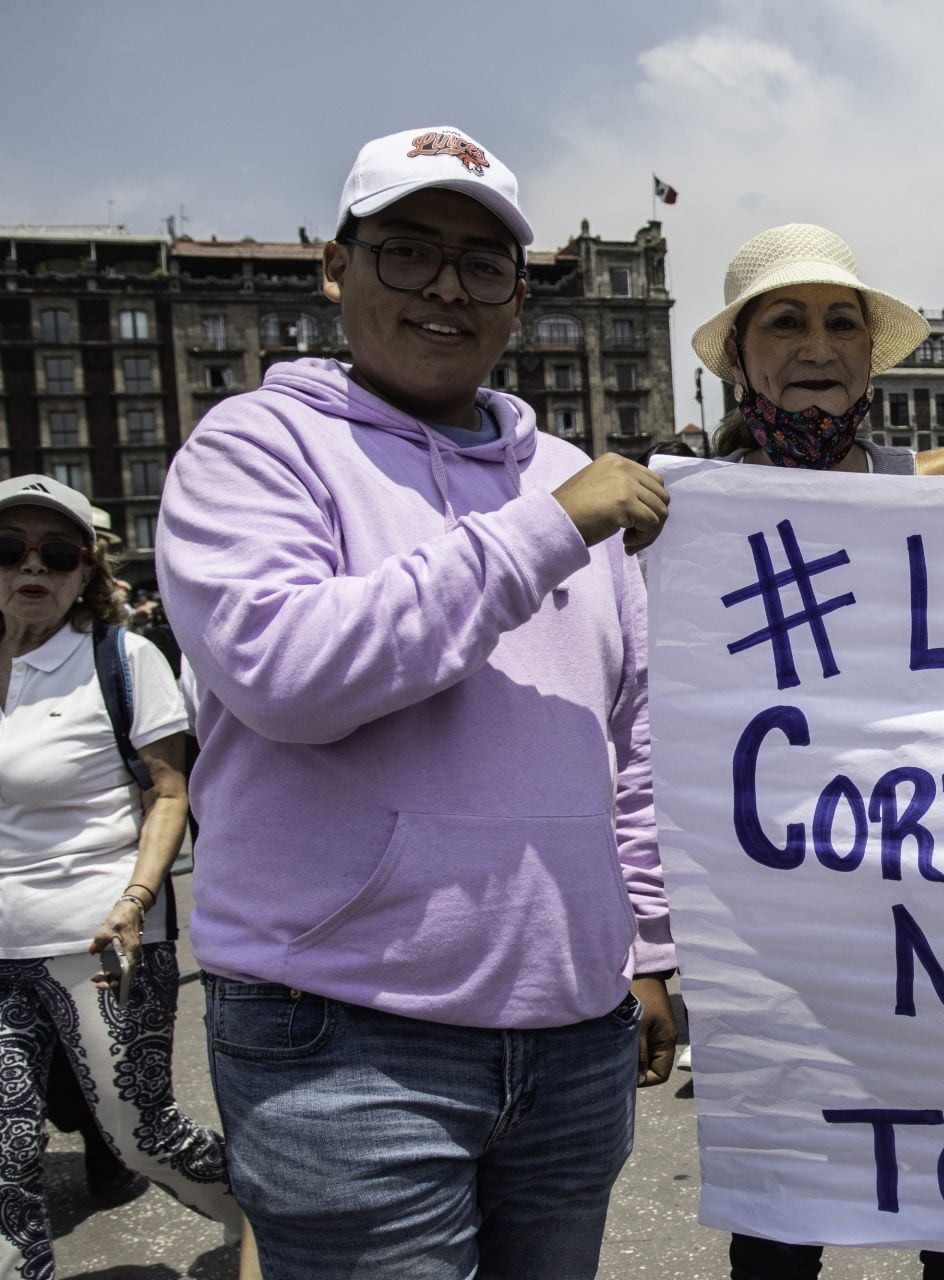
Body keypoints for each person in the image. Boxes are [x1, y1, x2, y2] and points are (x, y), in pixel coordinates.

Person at [156, 126, 675, 1278]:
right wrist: (547, 531)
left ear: (517, 301)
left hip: (570, 1035)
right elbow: (291, 675)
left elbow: (633, 734)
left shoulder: (569, 473)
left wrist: (645, 944)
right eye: (406, 251)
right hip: (343, 1038)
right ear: (335, 268)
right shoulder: (252, 449)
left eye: (481, 263)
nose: (446, 285)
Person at [690, 222, 944, 1279]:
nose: (817, 346)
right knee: (779, 1227)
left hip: (939, 919)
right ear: (739, 357)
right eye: (785, 322)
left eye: (839, 324)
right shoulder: (681, 515)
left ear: (871, 357)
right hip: (782, 932)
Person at [0, 473, 255, 1280]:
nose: (31, 567)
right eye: (8, 550)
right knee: (2, 1160)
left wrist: (135, 902)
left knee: (143, 1138)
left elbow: (169, 794)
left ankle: (275, 1219)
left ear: (87, 571)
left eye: (57, 552)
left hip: (101, 939)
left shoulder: (120, 658)